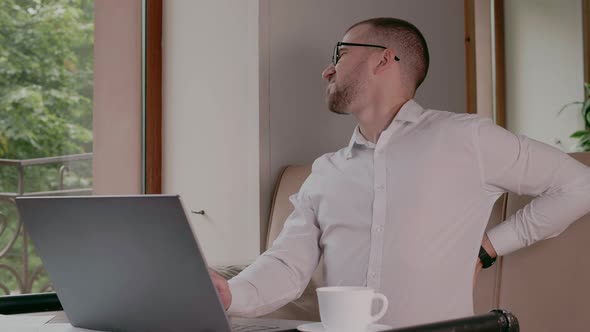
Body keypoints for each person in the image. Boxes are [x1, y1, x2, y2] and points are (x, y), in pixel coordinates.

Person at [210, 17, 590, 328]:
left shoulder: (466, 139)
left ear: (383, 59)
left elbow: (579, 185)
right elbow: (286, 266)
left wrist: (488, 248)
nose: (328, 70)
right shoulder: (326, 173)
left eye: (340, 54)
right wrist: (232, 293)